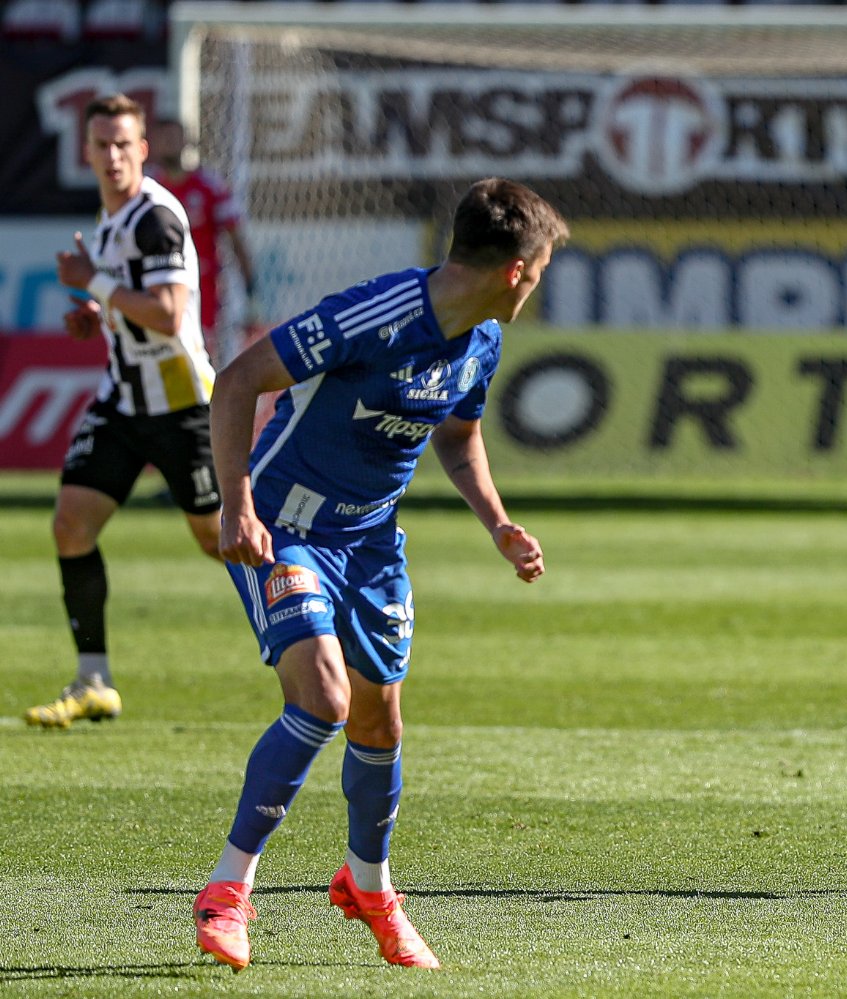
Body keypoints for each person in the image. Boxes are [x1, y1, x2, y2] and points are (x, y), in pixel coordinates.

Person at [193, 177, 568, 972]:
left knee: (378, 722)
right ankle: (227, 890)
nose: (536, 286)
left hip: (370, 544)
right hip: (286, 526)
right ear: (514, 270)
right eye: (538, 272)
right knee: (323, 697)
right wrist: (236, 505)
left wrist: (498, 523)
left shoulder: (482, 340)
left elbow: (458, 438)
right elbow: (237, 379)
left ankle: (370, 887)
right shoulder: (376, 313)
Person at [25, 94, 221, 729]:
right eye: (100, 144)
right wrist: (98, 313)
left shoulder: (154, 219)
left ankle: (314, 612)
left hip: (181, 404)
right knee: (71, 525)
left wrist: (94, 283)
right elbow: (132, 304)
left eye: (121, 144)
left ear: (142, 149)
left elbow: (167, 313)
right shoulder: (110, 221)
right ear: (86, 152)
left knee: (221, 541)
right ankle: (93, 681)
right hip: (123, 401)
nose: (111, 156)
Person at [146, 117, 257, 367]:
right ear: (152, 144)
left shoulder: (209, 185)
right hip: (154, 292)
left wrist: (251, 290)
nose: (169, 144)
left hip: (202, 294)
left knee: (200, 362)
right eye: (163, 138)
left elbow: (236, 238)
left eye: (174, 137)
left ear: (186, 141)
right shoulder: (145, 189)